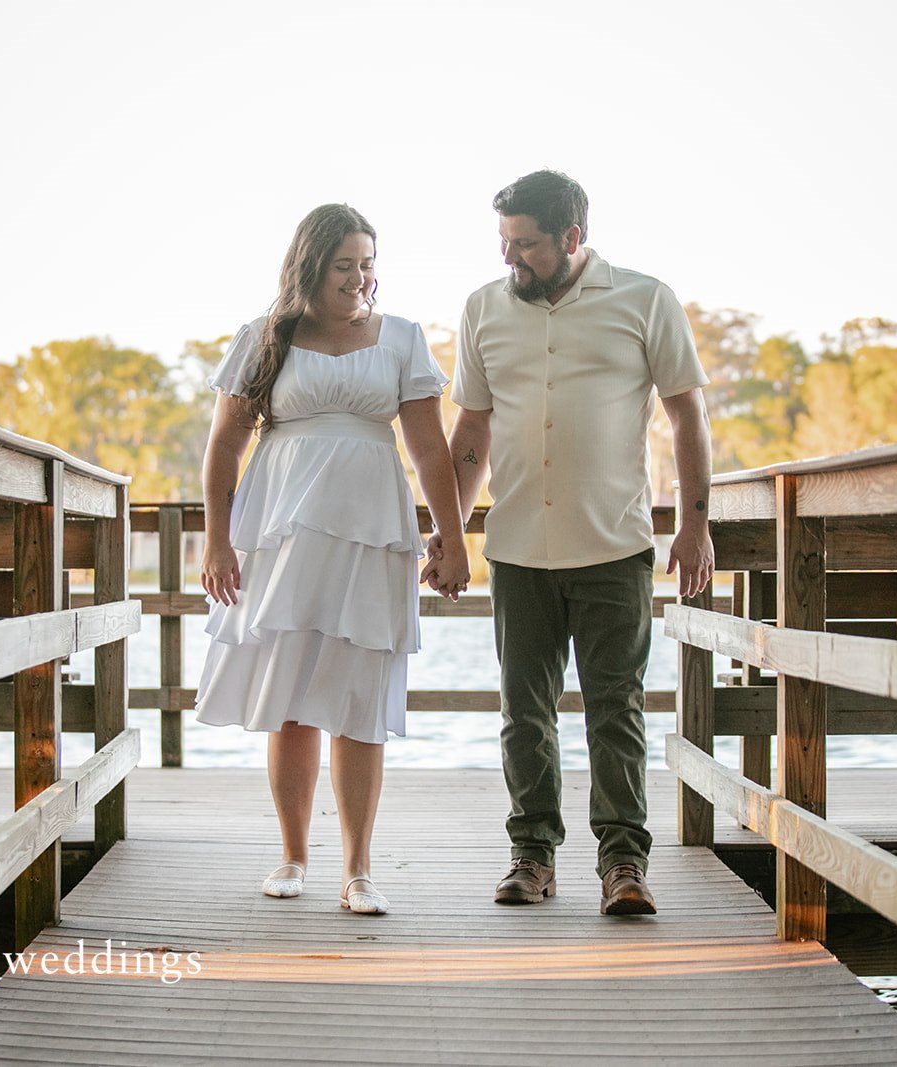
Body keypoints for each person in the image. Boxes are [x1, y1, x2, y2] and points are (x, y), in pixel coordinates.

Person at [423, 170, 714, 917]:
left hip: (615, 544)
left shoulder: (645, 299)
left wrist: (694, 522)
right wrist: (448, 537)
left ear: (573, 238)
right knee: (525, 711)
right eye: (504, 243)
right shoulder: (484, 308)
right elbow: (472, 432)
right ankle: (532, 854)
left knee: (615, 707)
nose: (510, 258)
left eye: (526, 245)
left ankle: (623, 862)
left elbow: (686, 416)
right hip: (518, 545)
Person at [197, 203, 470, 916]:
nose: (359, 278)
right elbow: (225, 444)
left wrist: (454, 536)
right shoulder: (265, 338)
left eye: (368, 264)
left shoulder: (403, 338)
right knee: (290, 698)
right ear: (310, 266)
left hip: (372, 528)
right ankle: (292, 854)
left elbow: (429, 449)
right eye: (344, 265)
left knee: (358, 698)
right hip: (284, 528)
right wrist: (217, 538)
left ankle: (358, 869)